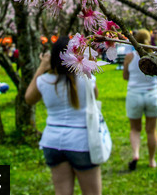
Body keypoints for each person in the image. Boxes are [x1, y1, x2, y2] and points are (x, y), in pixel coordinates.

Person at [25, 37, 102, 195]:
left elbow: (29, 98)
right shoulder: (87, 80)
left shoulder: (44, 81)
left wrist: (43, 66)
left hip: (53, 142)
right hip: (81, 142)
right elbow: (95, 96)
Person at [123, 29, 157, 170]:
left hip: (134, 95)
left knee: (135, 129)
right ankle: (151, 160)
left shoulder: (129, 57)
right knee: (151, 130)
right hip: (152, 95)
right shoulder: (156, 56)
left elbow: (125, 76)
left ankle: (136, 154)